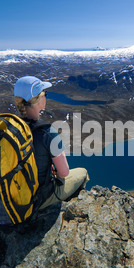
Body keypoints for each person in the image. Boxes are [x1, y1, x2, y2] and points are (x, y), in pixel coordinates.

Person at [13, 76, 89, 210]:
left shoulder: (10, 128)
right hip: (36, 200)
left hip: (11, 195)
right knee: (83, 172)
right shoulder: (47, 132)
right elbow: (64, 172)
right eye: (44, 94)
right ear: (37, 100)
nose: (46, 97)